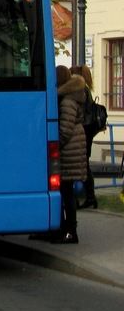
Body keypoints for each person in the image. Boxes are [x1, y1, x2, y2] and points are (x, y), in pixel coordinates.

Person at [53, 65, 87, 243]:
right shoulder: (73, 96)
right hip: (74, 149)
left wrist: (54, 146)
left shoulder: (67, 100)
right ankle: (67, 230)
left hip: (69, 152)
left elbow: (65, 130)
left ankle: (70, 231)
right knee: (67, 193)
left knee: (66, 193)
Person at [71, 65, 98, 209]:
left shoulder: (81, 90)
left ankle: (89, 197)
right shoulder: (86, 89)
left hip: (84, 130)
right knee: (84, 163)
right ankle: (90, 197)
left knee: (83, 164)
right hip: (88, 130)